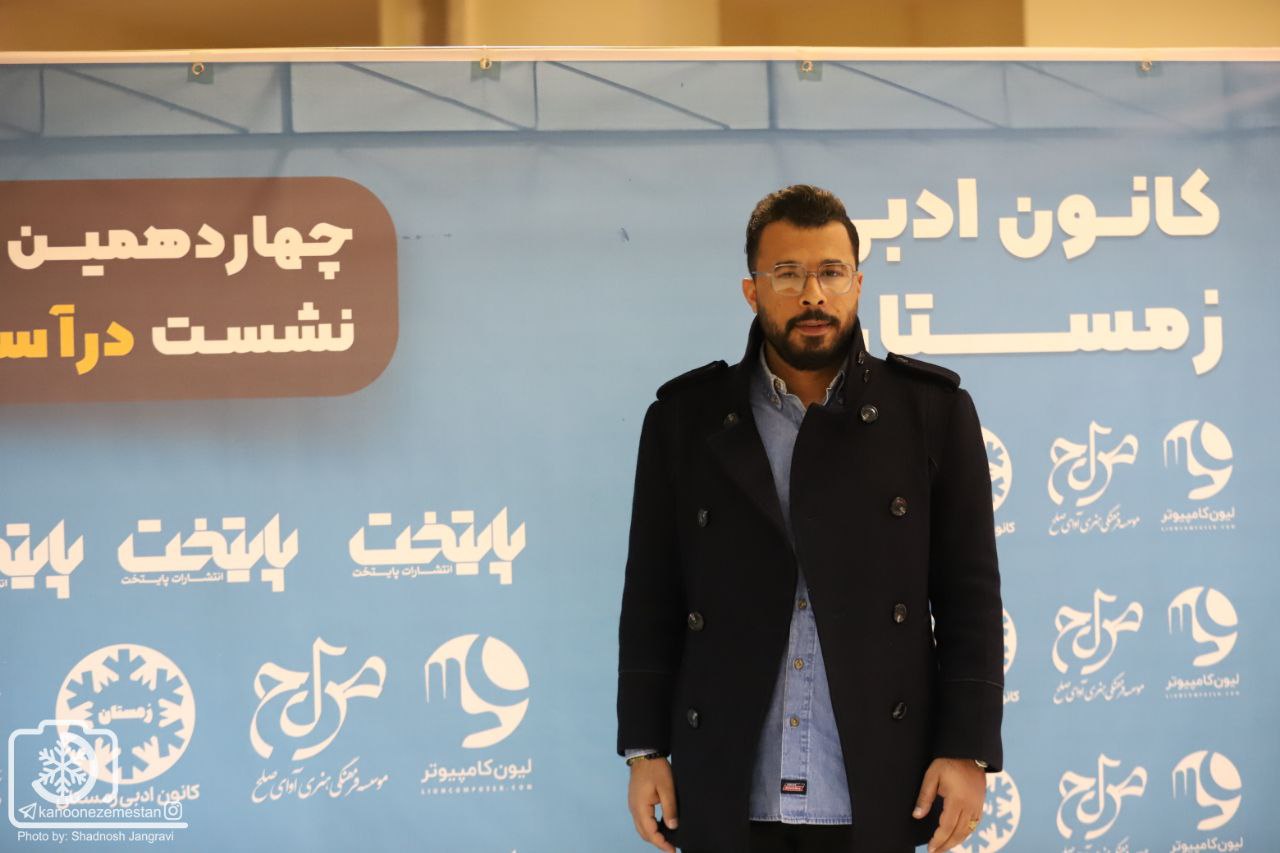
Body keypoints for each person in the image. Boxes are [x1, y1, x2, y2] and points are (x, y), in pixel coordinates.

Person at [616, 185, 1003, 853]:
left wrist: (967, 747)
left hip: (878, 775)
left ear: (857, 283)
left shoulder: (932, 413)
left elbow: (969, 596)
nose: (813, 295)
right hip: (729, 777)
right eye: (788, 274)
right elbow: (652, 594)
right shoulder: (684, 420)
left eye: (831, 272)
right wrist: (645, 749)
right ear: (753, 290)